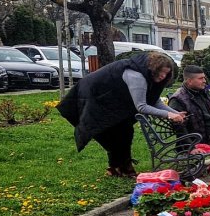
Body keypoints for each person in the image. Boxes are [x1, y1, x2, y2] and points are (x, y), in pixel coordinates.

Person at [55, 50, 186, 177]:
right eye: (161, 72)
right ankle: (120, 167)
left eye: (166, 73)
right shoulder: (136, 76)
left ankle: (119, 168)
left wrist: (176, 113)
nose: (163, 76)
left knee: (124, 130)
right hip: (94, 97)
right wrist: (168, 115)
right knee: (111, 131)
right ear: (153, 69)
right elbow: (142, 106)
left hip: (112, 99)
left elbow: (154, 101)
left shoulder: (149, 77)